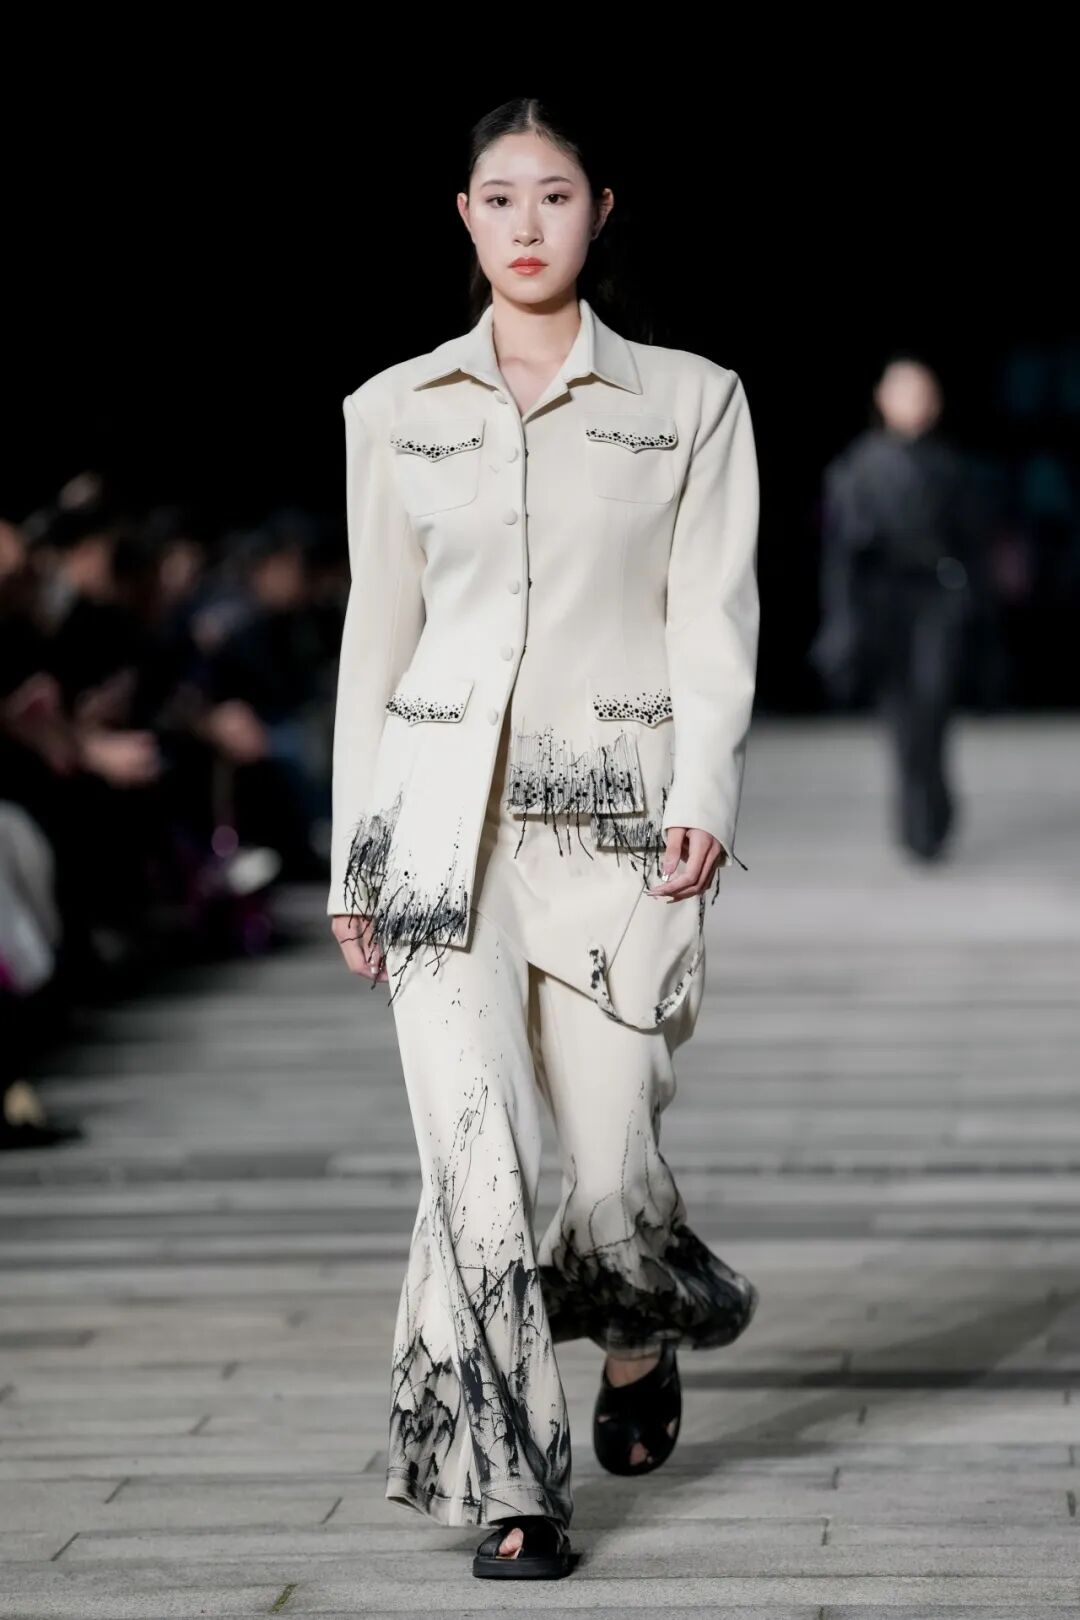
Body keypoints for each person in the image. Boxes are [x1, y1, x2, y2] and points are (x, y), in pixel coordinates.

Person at [327, 95, 761, 1581]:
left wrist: (705, 793)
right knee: (480, 1158)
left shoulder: (691, 402)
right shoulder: (392, 410)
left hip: (620, 826)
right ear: (464, 215)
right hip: (439, 836)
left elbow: (712, 620)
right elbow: (376, 640)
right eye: (500, 197)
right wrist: (356, 854)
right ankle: (516, 1481)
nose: (527, 223)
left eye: (555, 195)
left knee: (613, 1162)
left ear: (601, 209)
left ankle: (636, 1316)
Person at [811, 355, 993, 860]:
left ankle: (932, 808)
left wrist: (976, 606)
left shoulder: (952, 467)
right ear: (882, 399)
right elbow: (842, 556)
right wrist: (842, 623)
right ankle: (917, 814)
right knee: (901, 713)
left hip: (936, 600)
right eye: (904, 392)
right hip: (882, 602)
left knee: (933, 702)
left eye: (922, 393)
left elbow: (974, 544)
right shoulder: (856, 467)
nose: (914, 403)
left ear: (935, 404)